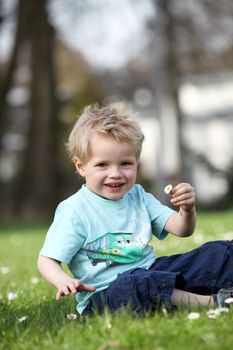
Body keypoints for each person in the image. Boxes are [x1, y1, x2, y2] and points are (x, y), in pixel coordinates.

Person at [38, 103, 233, 315]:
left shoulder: (138, 196)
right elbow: (47, 260)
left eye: (125, 163)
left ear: (136, 163)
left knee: (218, 252)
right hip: (106, 295)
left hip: (153, 272)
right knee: (136, 282)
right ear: (81, 166)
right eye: (102, 165)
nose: (115, 173)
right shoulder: (74, 210)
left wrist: (186, 210)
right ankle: (215, 302)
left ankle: (211, 289)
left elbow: (182, 229)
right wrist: (63, 280)